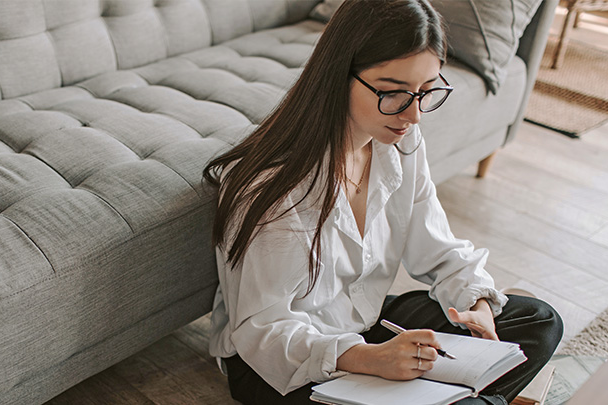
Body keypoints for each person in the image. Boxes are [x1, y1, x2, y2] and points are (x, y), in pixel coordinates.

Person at [202, 1, 563, 404]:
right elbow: (263, 328)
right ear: (339, 75)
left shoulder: (401, 144)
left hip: (364, 326)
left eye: (425, 92)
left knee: (538, 321)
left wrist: (476, 304)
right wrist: (370, 359)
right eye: (392, 93)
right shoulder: (276, 186)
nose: (413, 115)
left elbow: (438, 249)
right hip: (280, 365)